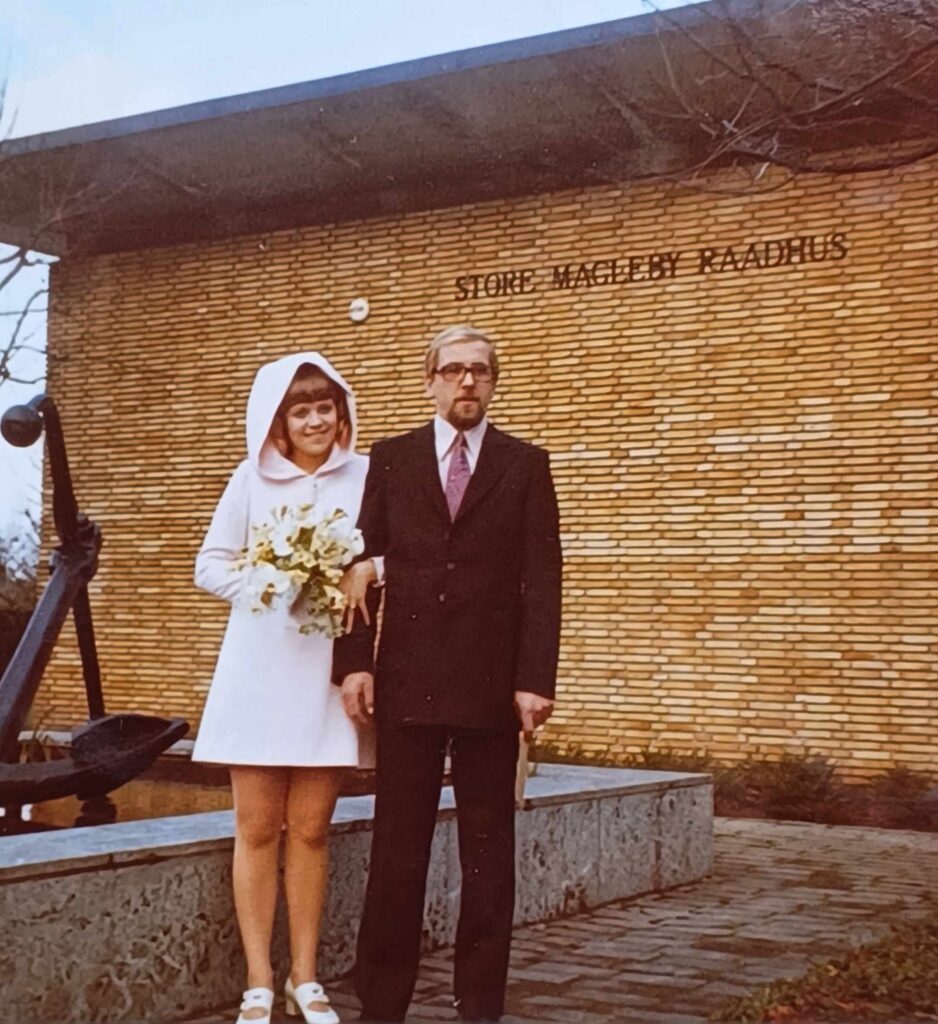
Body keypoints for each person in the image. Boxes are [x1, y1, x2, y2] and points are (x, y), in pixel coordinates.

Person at [334, 325, 563, 1023]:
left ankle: (479, 1006)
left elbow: (543, 580)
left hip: (493, 689)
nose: (468, 382)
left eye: (481, 372)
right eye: (455, 370)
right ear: (430, 379)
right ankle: (382, 1004)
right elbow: (358, 568)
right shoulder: (393, 459)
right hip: (406, 681)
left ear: (494, 383)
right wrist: (354, 666)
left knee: (487, 861)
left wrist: (535, 679)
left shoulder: (525, 465)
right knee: (397, 855)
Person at [193, 352, 370, 1024]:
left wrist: (365, 569)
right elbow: (207, 565)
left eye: (326, 407)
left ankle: (306, 976)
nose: (317, 420)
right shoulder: (251, 480)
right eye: (302, 410)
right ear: (279, 421)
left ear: (341, 412)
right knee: (258, 826)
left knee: (314, 829)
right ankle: (260, 981)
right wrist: (271, 583)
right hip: (260, 667)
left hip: (327, 672)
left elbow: (388, 550)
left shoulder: (366, 476)